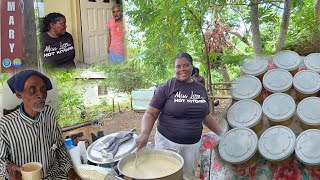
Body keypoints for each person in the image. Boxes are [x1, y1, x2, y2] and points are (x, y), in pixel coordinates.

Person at [135, 52, 225, 175]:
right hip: (168, 143)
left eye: (186, 65)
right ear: (174, 69)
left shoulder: (200, 88)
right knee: (164, 174)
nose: (182, 69)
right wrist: (145, 134)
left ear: (192, 67)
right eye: (178, 66)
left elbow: (205, 115)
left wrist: (222, 133)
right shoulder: (167, 87)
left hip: (192, 146)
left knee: (187, 175)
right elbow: (150, 114)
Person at [0, 70, 81, 180]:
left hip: (55, 176)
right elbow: (2, 161)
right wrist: (8, 168)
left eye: (43, 89)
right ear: (19, 94)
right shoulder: (5, 125)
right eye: (32, 90)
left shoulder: (49, 114)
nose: (41, 94)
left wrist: (70, 170)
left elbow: (60, 148)